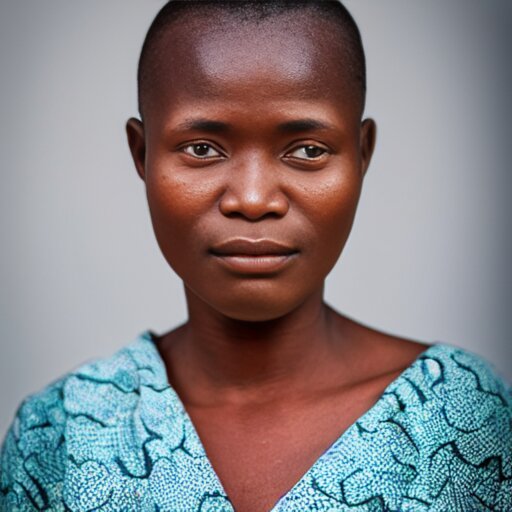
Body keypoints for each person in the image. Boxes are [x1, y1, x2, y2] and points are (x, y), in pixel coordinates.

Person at [1, 1, 511, 511]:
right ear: (142, 153)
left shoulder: (463, 413)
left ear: (361, 156)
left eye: (308, 150)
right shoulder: (61, 431)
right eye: (202, 148)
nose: (252, 199)